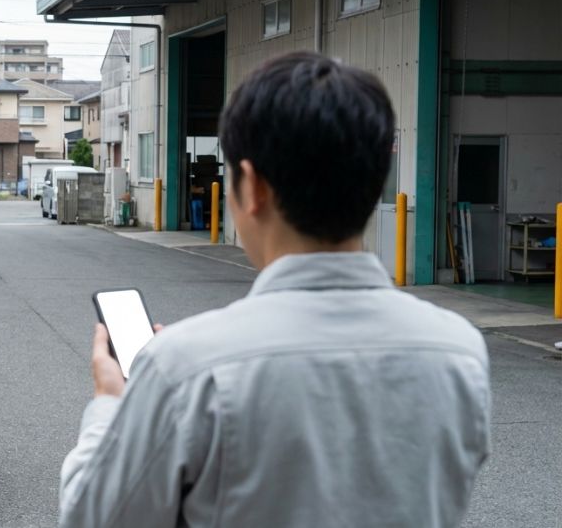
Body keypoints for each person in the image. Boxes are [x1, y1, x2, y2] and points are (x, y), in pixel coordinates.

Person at [59, 52, 491, 528]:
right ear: (374, 183)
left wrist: (110, 404)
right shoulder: (459, 351)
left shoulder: (188, 366)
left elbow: (92, 518)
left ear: (253, 186)